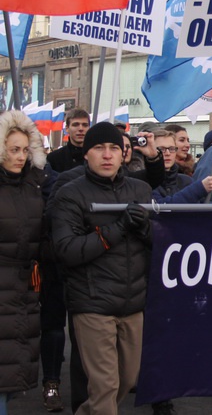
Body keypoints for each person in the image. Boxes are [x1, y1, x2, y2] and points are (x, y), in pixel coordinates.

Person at [50, 122, 153, 415]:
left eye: (113, 148)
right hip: (92, 304)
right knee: (105, 386)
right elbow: (67, 250)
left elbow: (161, 242)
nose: (107, 155)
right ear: (86, 154)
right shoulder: (71, 194)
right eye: (98, 148)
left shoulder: (140, 189)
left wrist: (145, 228)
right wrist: (116, 229)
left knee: (126, 380)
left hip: (133, 303)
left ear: (123, 154)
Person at [0, 111, 49, 415]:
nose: (20, 156)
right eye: (13, 149)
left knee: (12, 370)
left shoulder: (36, 186)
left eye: (24, 150)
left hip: (24, 289)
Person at [152, 130, 212, 204]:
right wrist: (199, 188)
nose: (168, 153)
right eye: (161, 149)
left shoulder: (187, 181)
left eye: (172, 149)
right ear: (150, 151)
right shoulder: (146, 182)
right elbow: (161, 208)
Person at [46, 108, 90, 172]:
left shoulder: (97, 156)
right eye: (75, 125)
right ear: (67, 128)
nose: (81, 129)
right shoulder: (54, 158)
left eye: (85, 125)